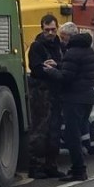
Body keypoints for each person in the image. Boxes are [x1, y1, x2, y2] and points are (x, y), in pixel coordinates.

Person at [44, 22, 94, 181]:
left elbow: (66, 77)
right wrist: (59, 65)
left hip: (74, 99)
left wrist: (51, 71)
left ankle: (79, 170)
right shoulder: (87, 50)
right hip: (86, 97)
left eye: (63, 37)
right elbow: (76, 70)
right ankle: (77, 168)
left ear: (70, 37)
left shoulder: (72, 52)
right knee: (77, 133)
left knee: (71, 135)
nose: (61, 40)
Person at [26, 14, 65, 178]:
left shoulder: (60, 46)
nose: (50, 33)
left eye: (53, 29)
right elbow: (36, 68)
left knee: (55, 131)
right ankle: (36, 166)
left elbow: (65, 65)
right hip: (41, 93)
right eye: (47, 29)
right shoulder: (37, 46)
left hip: (56, 93)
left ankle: (51, 164)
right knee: (40, 131)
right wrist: (51, 71)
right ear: (42, 29)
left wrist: (55, 67)